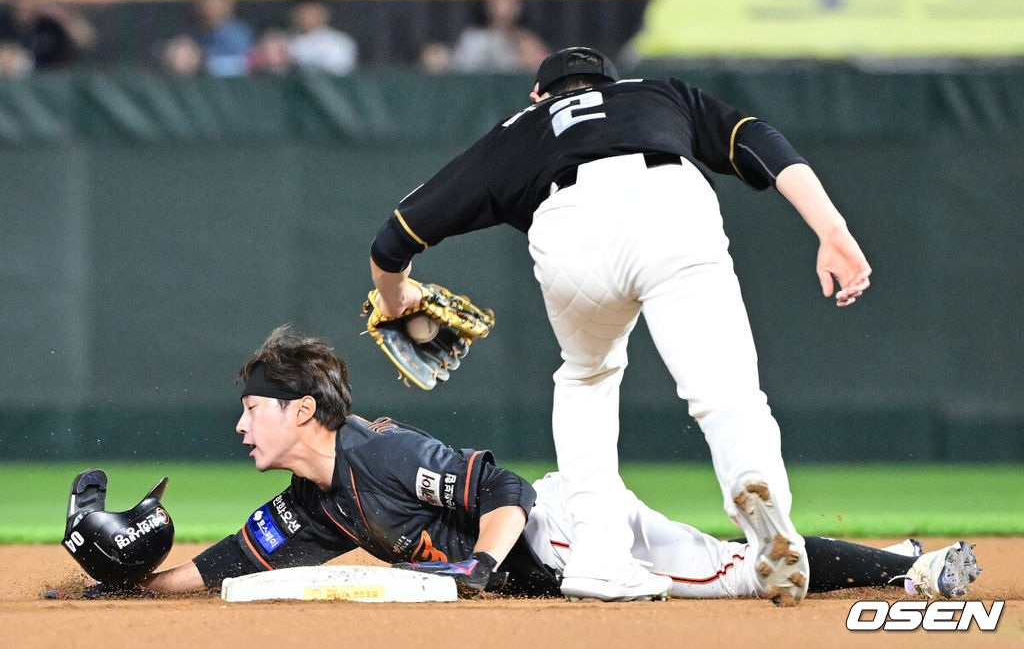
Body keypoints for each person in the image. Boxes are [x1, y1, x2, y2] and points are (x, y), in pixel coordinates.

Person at [367, 46, 873, 603]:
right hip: (670, 205)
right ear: (612, 81)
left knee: (585, 376)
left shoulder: (518, 129)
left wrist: (397, 299)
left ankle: (599, 558)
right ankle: (754, 486)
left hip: (566, 225)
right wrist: (831, 228)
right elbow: (759, 139)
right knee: (725, 389)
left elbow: (393, 239)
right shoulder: (659, 92)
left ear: (538, 95)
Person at [108, 327, 978, 603]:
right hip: (552, 554)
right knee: (741, 568)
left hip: (565, 537)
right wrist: (119, 569)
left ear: (301, 410)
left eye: (252, 406)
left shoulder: (385, 455)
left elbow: (505, 491)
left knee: (748, 578)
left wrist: (481, 562)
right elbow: (210, 574)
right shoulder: (311, 507)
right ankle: (902, 557)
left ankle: (917, 570)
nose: (239, 423)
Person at [0, 0, 94, 69]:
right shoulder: (4, 24)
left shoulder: (50, 25)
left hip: (52, 80)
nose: (24, 4)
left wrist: (59, 14)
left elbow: (85, 41)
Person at [449, 0, 548, 72]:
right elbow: (459, 66)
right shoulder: (475, 39)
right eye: (499, 4)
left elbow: (545, 67)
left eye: (509, 3)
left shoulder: (528, 41)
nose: (504, 9)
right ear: (488, 7)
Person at [287, 0, 357, 75]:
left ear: (322, 13)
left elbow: (341, 77)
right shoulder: (286, 42)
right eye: (302, 11)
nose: (305, 16)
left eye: (311, 11)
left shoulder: (338, 43)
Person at [191, 0, 253, 77]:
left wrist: (206, 63)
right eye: (207, 5)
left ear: (227, 5)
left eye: (215, 4)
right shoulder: (196, 35)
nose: (211, 10)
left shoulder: (239, 35)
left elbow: (244, 64)